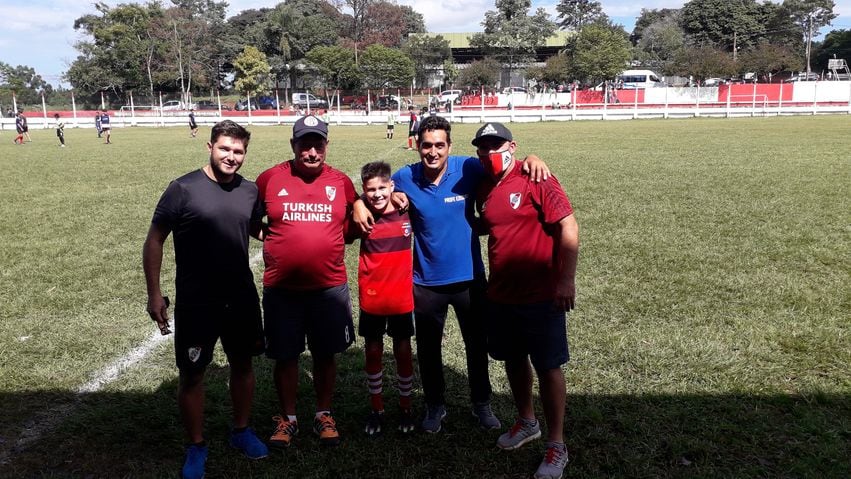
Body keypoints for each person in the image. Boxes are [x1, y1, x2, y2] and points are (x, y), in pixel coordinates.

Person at [354, 115, 549, 434]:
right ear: (417, 145)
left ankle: (481, 404)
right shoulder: (405, 177)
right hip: (426, 282)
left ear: (449, 146)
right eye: (426, 145)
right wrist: (359, 205)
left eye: (439, 145)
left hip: (470, 278)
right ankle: (434, 405)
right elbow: (375, 190)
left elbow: (505, 165)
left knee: (477, 344)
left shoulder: (468, 169)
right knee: (429, 350)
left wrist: (531, 158)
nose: (433, 152)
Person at [142, 120, 269, 479]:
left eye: (239, 151)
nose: (232, 157)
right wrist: (154, 293)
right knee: (193, 374)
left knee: (244, 366)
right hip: (197, 300)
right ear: (210, 147)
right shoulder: (182, 188)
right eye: (225, 149)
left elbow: (258, 228)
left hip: (241, 296)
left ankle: (241, 431)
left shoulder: (249, 191)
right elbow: (155, 239)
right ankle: (196, 445)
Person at [472, 122, 578, 479]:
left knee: (548, 366)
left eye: (496, 146)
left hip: (541, 295)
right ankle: (527, 421)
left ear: (512, 146)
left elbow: (568, 226)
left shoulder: (537, 176)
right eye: (483, 148)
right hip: (501, 294)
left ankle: (556, 444)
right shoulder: (484, 185)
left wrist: (565, 280)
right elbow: (489, 223)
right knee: (514, 359)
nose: (489, 153)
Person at [255, 115, 357, 448]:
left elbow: (357, 213)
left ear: (326, 145)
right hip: (282, 289)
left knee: (325, 354)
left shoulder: (341, 181)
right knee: (286, 355)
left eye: (318, 145)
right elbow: (248, 217)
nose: (311, 152)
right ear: (293, 145)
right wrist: (268, 239)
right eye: (304, 145)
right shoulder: (269, 178)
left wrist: (357, 206)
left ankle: (323, 414)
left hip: (329, 288)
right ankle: (288, 418)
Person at [355, 161, 416, 436]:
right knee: (373, 350)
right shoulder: (361, 215)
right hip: (373, 296)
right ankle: (376, 407)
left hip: (402, 296)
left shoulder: (407, 210)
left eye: (383, 188)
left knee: (404, 350)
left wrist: (399, 196)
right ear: (363, 191)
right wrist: (357, 202)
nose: (377, 194)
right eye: (371, 190)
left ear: (392, 186)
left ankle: (406, 406)